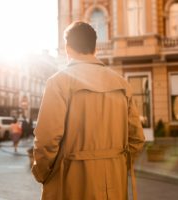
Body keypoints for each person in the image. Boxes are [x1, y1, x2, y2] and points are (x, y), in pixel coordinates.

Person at [32, 21, 145, 200]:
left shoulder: (59, 82)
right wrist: (116, 165)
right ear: (95, 49)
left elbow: (47, 140)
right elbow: (137, 139)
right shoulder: (123, 84)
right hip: (114, 187)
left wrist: (42, 174)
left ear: (68, 49)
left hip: (70, 185)